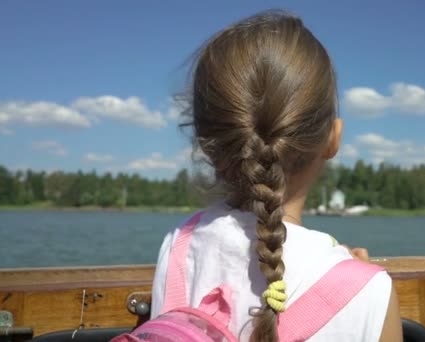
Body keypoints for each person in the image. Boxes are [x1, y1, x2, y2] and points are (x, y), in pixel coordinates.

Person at [151, 10, 402, 342]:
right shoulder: (371, 293)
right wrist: (353, 276)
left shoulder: (178, 246)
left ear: (207, 144)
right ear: (333, 138)